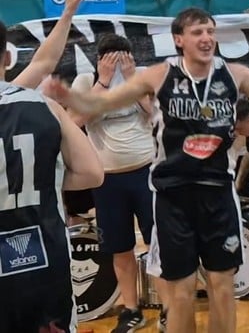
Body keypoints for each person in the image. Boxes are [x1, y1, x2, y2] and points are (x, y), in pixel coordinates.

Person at [45, 7, 249, 333]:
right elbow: (98, 105)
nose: (206, 38)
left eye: (210, 31)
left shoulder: (235, 74)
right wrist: (67, 95)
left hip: (217, 191)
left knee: (222, 286)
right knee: (182, 290)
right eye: (197, 32)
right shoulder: (158, 75)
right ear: (179, 39)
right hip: (173, 195)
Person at [0, 20, 105, 333]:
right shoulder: (44, 106)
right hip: (44, 256)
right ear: (7, 57)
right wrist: (46, 179)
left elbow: (44, 61)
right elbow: (92, 173)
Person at [68, 34, 168, 332]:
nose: (117, 63)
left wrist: (131, 81)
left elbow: (157, 116)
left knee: (158, 246)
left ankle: (168, 308)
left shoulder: (141, 79)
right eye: (110, 59)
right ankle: (130, 309)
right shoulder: (85, 83)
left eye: (122, 57)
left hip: (145, 173)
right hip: (107, 178)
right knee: (119, 247)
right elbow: (75, 122)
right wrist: (104, 82)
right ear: (99, 60)